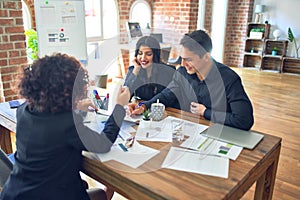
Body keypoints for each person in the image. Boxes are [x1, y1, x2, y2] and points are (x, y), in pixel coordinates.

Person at [0, 53, 130, 200]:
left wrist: (76, 107)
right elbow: (103, 143)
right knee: (101, 193)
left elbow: (52, 120)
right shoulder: (68, 123)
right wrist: (119, 106)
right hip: (52, 195)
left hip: (16, 193)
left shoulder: (23, 110)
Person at [129, 30, 254, 130]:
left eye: (188, 59)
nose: (183, 64)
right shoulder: (182, 73)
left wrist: (205, 112)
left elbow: (244, 120)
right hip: (190, 131)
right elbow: (166, 95)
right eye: (182, 58)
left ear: (206, 57)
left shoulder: (229, 79)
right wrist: (143, 105)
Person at [124, 36, 179, 108]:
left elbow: (168, 98)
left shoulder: (168, 71)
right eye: (140, 53)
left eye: (148, 54)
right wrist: (135, 71)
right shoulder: (134, 70)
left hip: (163, 111)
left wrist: (144, 106)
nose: (143, 58)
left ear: (155, 55)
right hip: (141, 111)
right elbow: (125, 96)